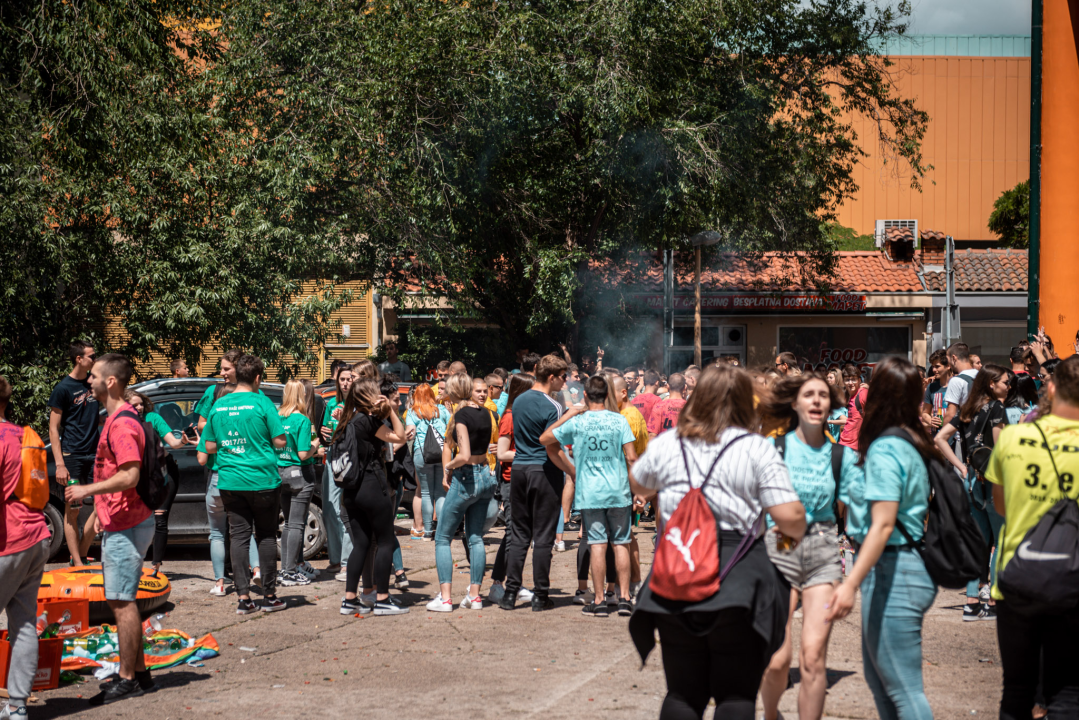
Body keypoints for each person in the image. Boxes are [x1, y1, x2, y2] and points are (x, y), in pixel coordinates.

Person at [628, 363, 805, 720]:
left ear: (699, 397)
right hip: (737, 578)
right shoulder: (756, 448)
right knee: (736, 695)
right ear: (745, 400)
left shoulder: (668, 443)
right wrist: (791, 533)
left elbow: (640, 484)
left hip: (676, 573)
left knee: (682, 693)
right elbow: (791, 517)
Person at [826, 356, 940, 720]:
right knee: (882, 685)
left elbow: (883, 523)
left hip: (896, 568)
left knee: (903, 690)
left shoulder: (889, 447)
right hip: (896, 567)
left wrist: (849, 584)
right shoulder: (908, 439)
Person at [757, 373, 863, 720]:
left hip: (822, 549)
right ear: (795, 403)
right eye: (809, 394)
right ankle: (771, 715)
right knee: (777, 660)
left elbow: (862, 521)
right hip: (779, 546)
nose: (817, 400)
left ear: (830, 405)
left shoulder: (841, 457)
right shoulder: (774, 449)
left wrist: (852, 581)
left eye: (823, 395)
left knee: (813, 657)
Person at [986, 354, 1079, 719]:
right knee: (1069, 692)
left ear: (1051, 388)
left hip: (1018, 577)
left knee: (1017, 690)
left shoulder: (1014, 438)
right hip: (1072, 581)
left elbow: (1001, 506)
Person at [64, 354, 155, 704]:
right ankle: (142, 674)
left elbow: (130, 475)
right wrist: (102, 509)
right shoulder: (116, 417)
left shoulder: (122, 424)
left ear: (111, 382)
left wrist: (88, 491)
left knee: (121, 603)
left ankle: (127, 678)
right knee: (125, 599)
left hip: (128, 522)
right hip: (123, 518)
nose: (89, 381)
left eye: (95, 376)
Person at [542, 375, 638, 617]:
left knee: (597, 543)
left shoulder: (579, 422)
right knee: (621, 543)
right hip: (618, 490)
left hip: (590, 491)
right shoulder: (620, 421)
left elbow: (545, 440)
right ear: (607, 395)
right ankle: (624, 598)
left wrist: (569, 416)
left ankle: (598, 601)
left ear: (585, 395)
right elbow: (632, 458)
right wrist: (638, 489)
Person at [201, 354, 288, 614]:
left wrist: (232, 443)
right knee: (266, 537)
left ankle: (244, 598)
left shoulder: (218, 406)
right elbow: (280, 441)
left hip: (230, 481)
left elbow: (209, 445)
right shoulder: (263, 403)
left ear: (237, 374)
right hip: (263, 480)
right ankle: (270, 595)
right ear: (258, 378)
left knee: (238, 537)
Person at [498, 354, 574, 611]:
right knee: (543, 537)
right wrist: (573, 471)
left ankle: (510, 594)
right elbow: (552, 448)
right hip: (543, 470)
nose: (565, 381)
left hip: (519, 468)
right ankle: (540, 595)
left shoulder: (518, 400)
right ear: (551, 377)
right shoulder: (553, 406)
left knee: (519, 534)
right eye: (563, 377)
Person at [934, 364, 1009, 621]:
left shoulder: (967, 409)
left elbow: (940, 438)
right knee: (1001, 541)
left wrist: (962, 468)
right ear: (992, 384)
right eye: (1005, 383)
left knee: (976, 542)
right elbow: (1000, 448)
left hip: (970, 481)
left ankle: (971, 602)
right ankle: (994, 601)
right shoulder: (997, 409)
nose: (1008, 387)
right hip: (993, 482)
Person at [0, 377, 52, 720]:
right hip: (37, 534)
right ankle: (17, 706)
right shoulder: (21, 435)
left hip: (8, 542)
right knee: (22, 623)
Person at [335, 378, 410, 616]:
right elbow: (400, 436)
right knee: (385, 540)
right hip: (371, 487)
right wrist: (391, 411)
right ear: (370, 396)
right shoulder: (368, 421)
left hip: (351, 490)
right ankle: (383, 599)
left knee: (362, 543)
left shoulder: (347, 421)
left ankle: (349, 600)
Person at [425, 374, 497, 611]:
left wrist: (448, 467)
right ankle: (474, 596)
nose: (442, 389)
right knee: (475, 537)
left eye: (446, 387)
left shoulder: (460, 415)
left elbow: (463, 454)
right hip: (485, 475)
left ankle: (445, 599)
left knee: (442, 538)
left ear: (455, 391)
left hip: (467, 477)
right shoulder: (485, 412)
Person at [123, 390, 188, 576]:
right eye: (134, 405)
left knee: (160, 519)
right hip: (139, 473)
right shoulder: (123, 422)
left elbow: (173, 443)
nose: (139, 408)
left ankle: (155, 567)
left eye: (140, 404)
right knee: (137, 519)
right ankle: (134, 564)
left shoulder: (153, 418)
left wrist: (182, 441)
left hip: (163, 471)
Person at [49, 339, 101, 566]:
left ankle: (79, 551)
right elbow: (53, 428)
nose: (95, 359)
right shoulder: (62, 388)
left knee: (102, 506)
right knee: (73, 509)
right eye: (92, 356)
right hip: (73, 457)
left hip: (95, 455)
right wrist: (60, 464)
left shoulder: (94, 384)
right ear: (79, 359)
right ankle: (78, 563)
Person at [488, 374, 537, 606]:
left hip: (521, 479)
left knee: (516, 534)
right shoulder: (509, 416)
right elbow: (502, 454)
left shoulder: (520, 414)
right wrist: (533, 455)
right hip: (510, 481)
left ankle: (507, 583)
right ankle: (503, 585)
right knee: (513, 534)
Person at [196, 382, 249, 596]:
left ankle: (219, 583)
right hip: (239, 479)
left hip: (216, 480)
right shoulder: (245, 420)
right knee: (244, 530)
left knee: (217, 533)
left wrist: (200, 443)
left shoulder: (213, 419)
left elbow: (202, 458)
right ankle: (254, 571)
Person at [276, 379, 319, 587]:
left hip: (279, 472)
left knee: (287, 525)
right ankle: (289, 571)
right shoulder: (301, 420)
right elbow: (303, 454)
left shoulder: (276, 417)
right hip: (300, 474)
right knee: (296, 525)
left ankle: (286, 568)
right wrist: (315, 446)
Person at [405, 383, 452, 540]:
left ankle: (427, 532)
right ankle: (442, 532)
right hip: (442, 454)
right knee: (440, 493)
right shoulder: (442, 410)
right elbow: (451, 429)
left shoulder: (412, 412)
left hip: (421, 454)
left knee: (425, 493)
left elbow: (410, 433)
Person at [322, 367, 355, 579]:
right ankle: (335, 559)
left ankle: (346, 562)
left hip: (350, 459)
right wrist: (324, 432)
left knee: (347, 509)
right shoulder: (331, 403)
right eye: (342, 379)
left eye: (348, 379)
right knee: (329, 508)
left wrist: (344, 419)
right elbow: (326, 430)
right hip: (332, 456)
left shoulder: (356, 404)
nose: (345, 383)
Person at [195, 349, 242, 432]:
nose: (221, 373)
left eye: (226, 369)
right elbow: (201, 425)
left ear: (240, 370)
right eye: (222, 369)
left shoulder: (256, 393)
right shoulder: (213, 391)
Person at [647, 372, 687, 438]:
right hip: (685, 447)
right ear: (685, 387)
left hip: (664, 447)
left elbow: (652, 435)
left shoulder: (659, 406)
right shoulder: (690, 407)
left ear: (668, 386)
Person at [838, 365, 867, 451]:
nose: (850, 383)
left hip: (855, 448)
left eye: (853, 379)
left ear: (859, 380)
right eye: (847, 380)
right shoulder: (850, 396)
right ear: (843, 382)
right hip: (845, 444)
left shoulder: (862, 393)